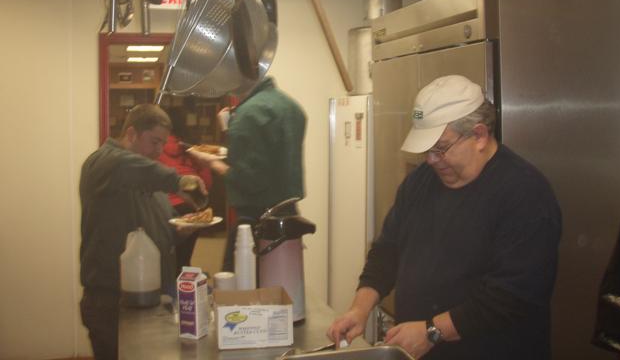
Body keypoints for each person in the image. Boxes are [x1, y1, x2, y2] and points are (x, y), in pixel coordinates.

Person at [327, 75, 562, 360]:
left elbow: (510, 298)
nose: (431, 161)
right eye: (427, 150)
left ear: (479, 135)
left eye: (441, 149)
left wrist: (431, 332)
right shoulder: (420, 183)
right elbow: (388, 251)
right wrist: (359, 309)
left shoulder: (525, 194)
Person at [79, 104, 206, 360]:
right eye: (154, 142)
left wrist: (181, 230)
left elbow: (164, 228)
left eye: (163, 144)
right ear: (132, 134)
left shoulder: (150, 179)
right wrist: (180, 180)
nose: (159, 151)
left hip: (153, 300)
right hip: (111, 301)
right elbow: (124, 165)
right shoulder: (102, 163)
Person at [188, 76, 306, 271]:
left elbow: (247, 179)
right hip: (288, 216)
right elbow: (267, 156)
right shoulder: (291, 107)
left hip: (257, 222)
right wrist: (229, 127)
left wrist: (212, 162)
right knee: (284, 286)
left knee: (241, 292)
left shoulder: (249, 113)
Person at [158, 107, 213, 277]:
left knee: (166, 255)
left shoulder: (154, 146)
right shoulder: (190, 147)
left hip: (166, 206)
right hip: (192, 205)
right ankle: (185, 275)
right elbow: (207, 181)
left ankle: (175, 284)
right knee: (184, 254)